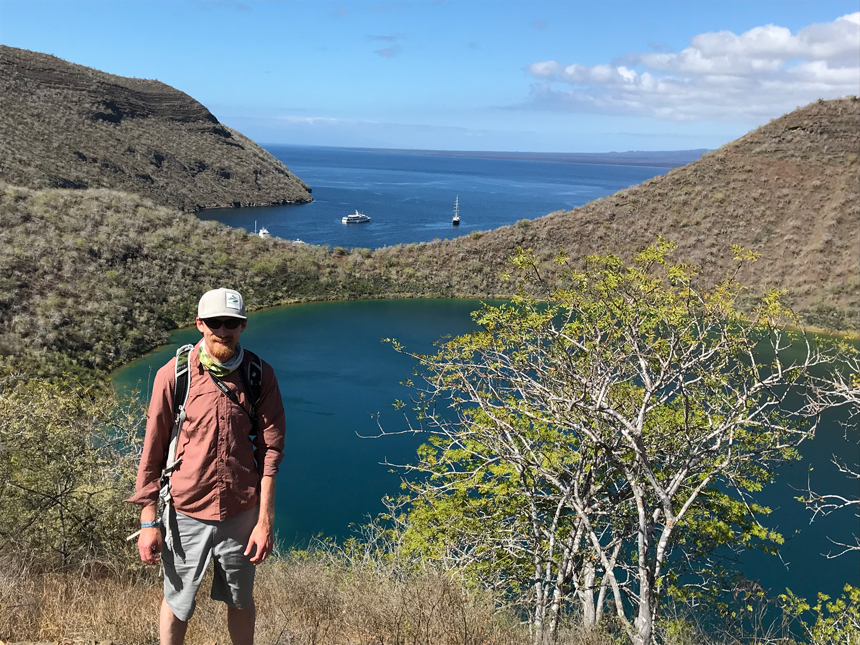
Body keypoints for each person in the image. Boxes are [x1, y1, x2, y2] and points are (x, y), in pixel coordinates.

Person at [127, 288, 285, 645]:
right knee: (178, 601)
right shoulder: (175, 375)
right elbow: (152, 452)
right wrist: (148, 521)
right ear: (199, 324)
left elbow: (271, 452)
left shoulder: (260, 376)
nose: (223, 330)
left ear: (243, 326)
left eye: (232, 323)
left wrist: (264, 522)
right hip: (185, 511)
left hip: (241, 513)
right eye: (215, 323)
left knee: (241, 600)